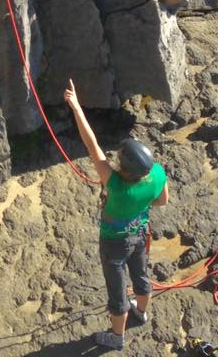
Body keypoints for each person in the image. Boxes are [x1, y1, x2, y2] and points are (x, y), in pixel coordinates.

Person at [64, 79, 168, 352]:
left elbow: (91, 145)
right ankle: (141, 314)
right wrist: (140, 205)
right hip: (140, 232)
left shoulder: (116, 186)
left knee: (117, 290)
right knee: (141, 275)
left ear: (124, 167)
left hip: (114, 242)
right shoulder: (157, 173)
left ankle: (116, 336)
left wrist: (76, 106)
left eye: (119, 157)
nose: (116, 158)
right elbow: (162, 200)